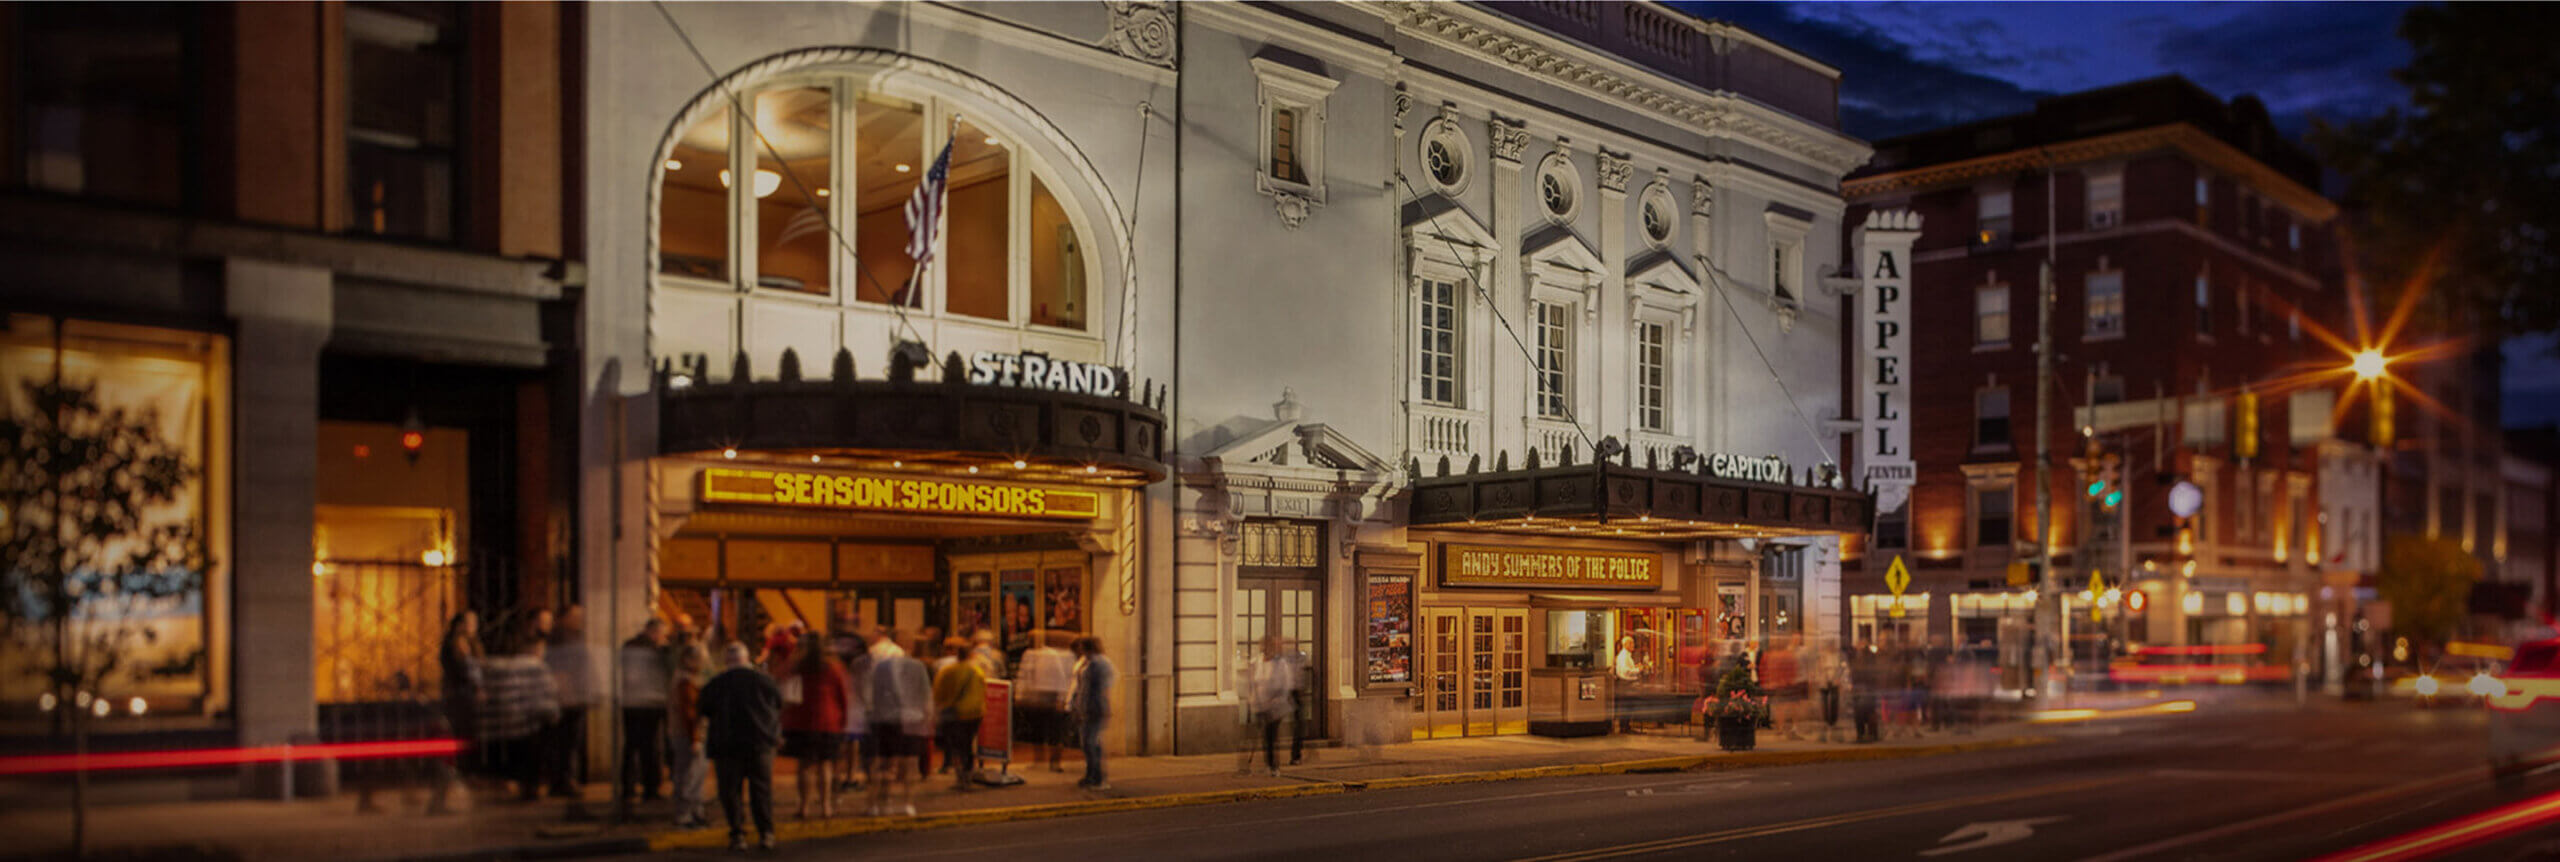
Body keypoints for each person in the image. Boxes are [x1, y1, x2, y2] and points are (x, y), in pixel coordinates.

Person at [700, 642, 782, 851]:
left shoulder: (716, 684)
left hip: (727, 745)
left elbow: (704, 709)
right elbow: (778, 704)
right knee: (761, 790)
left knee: (730, 792)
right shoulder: (764, 681)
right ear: (747, 659)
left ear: (727, 661)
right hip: (759, 742)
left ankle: (737, 833)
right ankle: (766, 833)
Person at [477, 625, 561, 802]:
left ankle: (513, 784)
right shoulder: (535, 667)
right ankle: (530, 788)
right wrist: (552, 712)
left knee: (513, 757)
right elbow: (544, 695)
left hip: (501, 724)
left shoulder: (493, 667)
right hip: (527, 722)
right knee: (531, 757)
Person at [779, 637, 851, 819]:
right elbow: (843, 696)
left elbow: (787, 695)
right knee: (825, 765)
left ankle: (803, 806)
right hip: (828, 721)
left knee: (804, 766)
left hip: (802, 721)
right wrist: (844, 721)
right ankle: (826, 807)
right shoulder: (834, 668)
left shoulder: (797, 667)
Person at [864, 628, 932, 817]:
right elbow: (926, 696)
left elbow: (874, 693)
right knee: (910, 764)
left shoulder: (881, 667)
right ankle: (908, 803)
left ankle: (880, 802)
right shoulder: (918, 667)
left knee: (883, 763)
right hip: (911, 719)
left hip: (886, 718)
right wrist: (927, 719)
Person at [427, 610, 481, 814]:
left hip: (468, 703)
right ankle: (442, 798)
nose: (473, 626)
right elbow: (457, 675)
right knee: (453, 748)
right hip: (457, 702)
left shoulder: (473, 647)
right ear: (459, 625)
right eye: (470, 622)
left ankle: (443, 798)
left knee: (463, 745)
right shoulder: (451, 649)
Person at [544, 605, 600, 799]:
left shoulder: (573, 636)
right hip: (569, 699)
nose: (580, 619)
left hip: (576, 696)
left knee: (570, 741)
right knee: (565, 742)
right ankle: (563, 780)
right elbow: (560, 668)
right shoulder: (561, 637)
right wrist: (567, 695)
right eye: (575, 616)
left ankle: (564, 779)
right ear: (564, 617)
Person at [619, 619, 671, 806]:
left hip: (631, 702)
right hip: (649, 703)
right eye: (661, 633)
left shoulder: (629, 646)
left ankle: (628, 788)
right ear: (654, 632)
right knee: (649, 747)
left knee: (632, 746)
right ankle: (650, 788)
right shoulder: (654, 651)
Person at [933, 635, 988, 791]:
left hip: (955, 713)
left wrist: (940, 705)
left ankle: (960, 777)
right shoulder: (977, 670)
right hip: (974, 714)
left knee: (956, 746)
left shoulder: (948, 671)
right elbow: (982, 690)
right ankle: (968, 776)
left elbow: (938, 692)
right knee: (968, 745)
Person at [1016, 630, 1075, 773]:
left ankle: (1047, 761)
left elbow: (1061, 677)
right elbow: (1025, 675)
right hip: (1045, 697)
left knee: (1046, 732)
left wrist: (1020, 695)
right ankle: (1048, 762)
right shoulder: (1032, 654)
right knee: (1047, 732)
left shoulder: (1045, 655)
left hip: (1045, 697)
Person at [667, 642, 710, 828]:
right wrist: (695, 738)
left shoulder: (683, 679)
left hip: (684, 733)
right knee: (691, 775)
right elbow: (689, 713)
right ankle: (686, 814)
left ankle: (693, 812)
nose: (702, 664)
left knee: (690, 774)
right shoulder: (686, 682)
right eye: (700, 660)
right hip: (688, 734)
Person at [1244, 635, 1302, 776]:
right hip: (1260, 705)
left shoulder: (1281, 664)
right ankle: (1269, 764)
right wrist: (1253, 700)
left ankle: (1273, 766)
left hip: (1276, 706)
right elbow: (1253, 683)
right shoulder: (1257, 662)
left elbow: (1285, 685)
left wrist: (1276, 699)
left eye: (1269, 647)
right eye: (1264, 647)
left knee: (1270, 735)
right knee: (1265, 736)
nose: (1266, 650)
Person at [1069, 636, 1115, 791]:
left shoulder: (1099, 663)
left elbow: (1103, 687)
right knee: (1087, 742)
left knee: (1091, 742)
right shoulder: (1086, 662)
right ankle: (1091, 774)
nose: (1079, 650)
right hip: (1086, 707)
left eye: (1082, 647)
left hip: (1095, 707)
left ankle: (1098, 777)